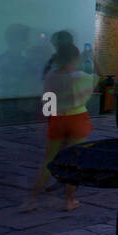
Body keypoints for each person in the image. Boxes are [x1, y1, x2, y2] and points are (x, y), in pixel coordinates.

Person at [24, 44, 94, 211]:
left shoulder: (51, 76)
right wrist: (89, 58)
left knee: (48, 159)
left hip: (57, 118)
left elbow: (47, 99)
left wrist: (49, 120)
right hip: (78, 117)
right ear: (75, 59)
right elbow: (97, 79)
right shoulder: (81, 77)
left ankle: (33, 198)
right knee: (73, 160)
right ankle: (69, 200)